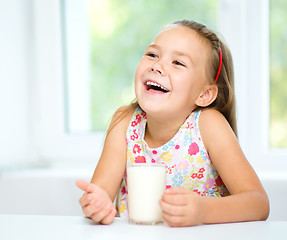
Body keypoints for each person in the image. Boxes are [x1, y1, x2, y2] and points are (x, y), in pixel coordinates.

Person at [76, 19, 269, 227]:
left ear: (204, 94)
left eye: (178, 62)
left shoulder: (208, 125)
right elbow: (101, 191)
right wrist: (97, 204)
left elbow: (258, 204)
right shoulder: (124, 122)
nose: (157, 65)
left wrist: (203, 211)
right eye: (152, 54)